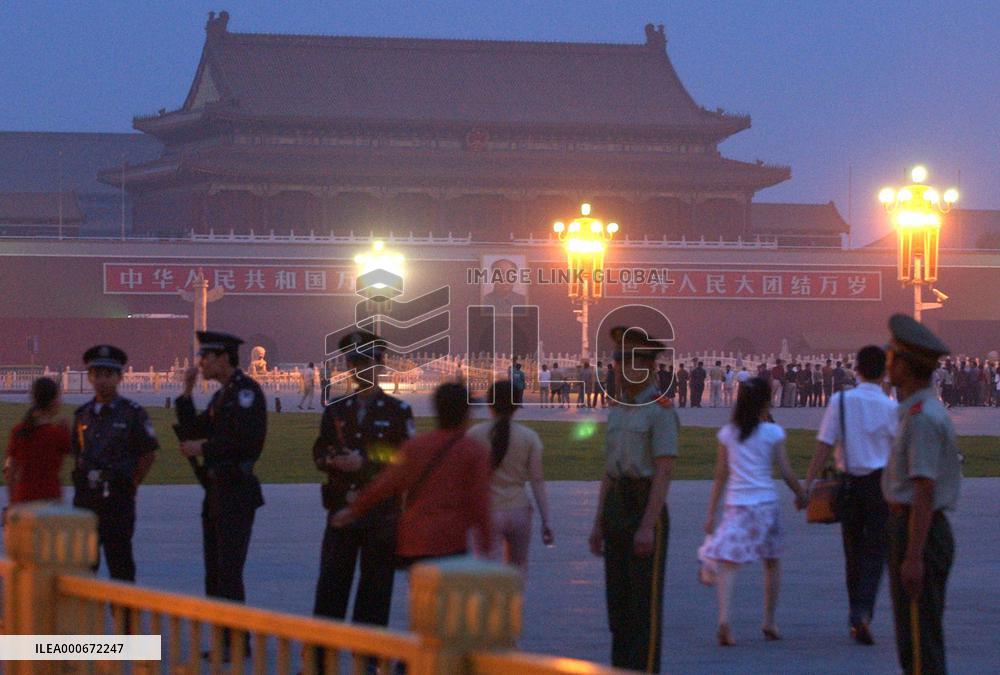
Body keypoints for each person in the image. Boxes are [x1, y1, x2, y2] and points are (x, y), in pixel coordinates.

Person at [589, 326, 678, 673]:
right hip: (617, 504)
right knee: (618, 607)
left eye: (625, 362)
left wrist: (647, 526)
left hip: (644, 505)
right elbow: (610, 472)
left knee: (643, 609)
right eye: (617, 361)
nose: (617, 369)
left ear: (646, 366)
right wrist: (598, 522)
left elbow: (663, 472)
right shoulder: (618, 409)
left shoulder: (660, 411)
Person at [311, 330, 414, 632]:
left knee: (375, 590)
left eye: (366, 363)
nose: (359, 370)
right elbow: (320, 450)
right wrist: (331, 460)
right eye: (354, 363)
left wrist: (366, 463)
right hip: (341, 509)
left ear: (380, 364)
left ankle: (368, 654)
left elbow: (404, 459)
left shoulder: (397, 411)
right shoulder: (337, 409)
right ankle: (322, 652)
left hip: (380, 515)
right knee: (331, 586)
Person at [175, 331, 266, 658]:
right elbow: (194, 429)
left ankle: (237, 642)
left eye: (205, 356)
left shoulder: (245, 393)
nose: (200, 363)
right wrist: (186, 393)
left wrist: (204, 448)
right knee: (214, 572)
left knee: (229, 570)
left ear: (224, 357)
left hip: (236, 491)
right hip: (216, 491)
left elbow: (246, 441)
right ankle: (225, 640)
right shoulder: (223, 396)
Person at [332, 383, 491, 566]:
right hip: (450, 541)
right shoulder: (474, 451)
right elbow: (480, 501)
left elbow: (385, 484)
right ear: (466, 413)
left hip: (416, 540)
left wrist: (353, 510)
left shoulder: (415, 447)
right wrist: (486, 546)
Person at [700, 377, 806, 646]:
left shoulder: (729, 433)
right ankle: (769, 621)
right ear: (765, 403)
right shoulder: (773, 432)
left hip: (737, 505)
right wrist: (802, 494)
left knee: (729, 563)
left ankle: (724, 620)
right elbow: (786, 472)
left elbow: (720, 475)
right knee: (771, 562)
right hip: (766, 505)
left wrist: (711, 513)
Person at [883, 314, 961, 675]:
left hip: (919, 532)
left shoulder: (921, 418)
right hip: (915, 528)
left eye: (892, 356)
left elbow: (924, 489)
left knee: (918, 642)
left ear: (906, 365)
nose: (887, 363)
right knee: (917, 637)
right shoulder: (916, 411)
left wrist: (913, 556)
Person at [805, 346, 896, 645]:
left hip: (848, 486)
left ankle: (855, 612)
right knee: (876, 552)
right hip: (880, 486)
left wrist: (808, 485)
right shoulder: (890, 407)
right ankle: (863, 612)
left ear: (856, 370)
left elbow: (824, 445)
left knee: (852, 552)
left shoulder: (841, 401)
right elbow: (897, 454)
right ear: (884, 372)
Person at [72, 345, 158, 582]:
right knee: (84, 565)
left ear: (119, 377)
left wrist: (132, 483)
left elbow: (148, 454)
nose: (101, 380)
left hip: (118, 498)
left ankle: (123, 608)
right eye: (96, 374)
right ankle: (86, 607)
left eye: (108, 374)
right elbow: (78, 454)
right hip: (87, 498)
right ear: (90, 377)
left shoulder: (132, 413)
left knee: (120, 564)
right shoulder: (82, 414)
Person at [468, 381, 554, 572]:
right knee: (516, 573)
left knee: (484, 572)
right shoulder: (529, 437)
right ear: (516, 404)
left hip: (488, 510)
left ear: (489, 403)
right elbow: (537, 480)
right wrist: (546, 520)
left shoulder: (475, 434)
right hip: (519, 510)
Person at [5, 377, 70, 507]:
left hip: (23, 499)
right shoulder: (58, 434)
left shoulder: (19, 431)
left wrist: (12, 502)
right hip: (50, 500)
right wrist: (66, 430)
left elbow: (10, 471)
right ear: (53, 401)